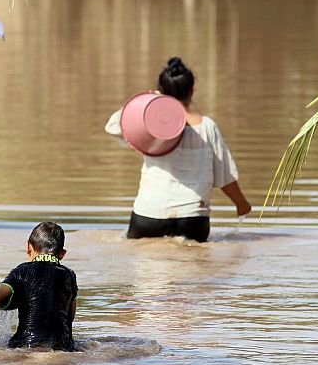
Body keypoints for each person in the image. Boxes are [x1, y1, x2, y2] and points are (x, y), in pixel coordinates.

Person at [105, 57, 251, 242]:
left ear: (161, 92)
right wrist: (241, 204)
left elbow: (113, 126)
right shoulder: (207, 127)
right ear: (192, 90)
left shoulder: (150, 126)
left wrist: (145, 103)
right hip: (193, 218)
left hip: (149, 215)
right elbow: (225, 176)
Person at [0, 222, 78, 352]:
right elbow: (70, 315)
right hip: (63, 346)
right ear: (62, 254)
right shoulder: (69, 275)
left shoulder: (21, 272)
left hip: (24, 343)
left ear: (28, 247)